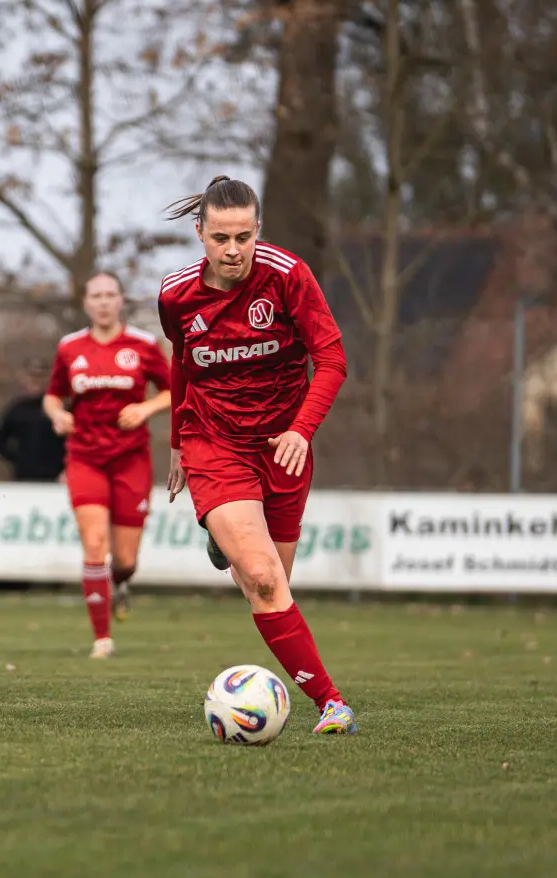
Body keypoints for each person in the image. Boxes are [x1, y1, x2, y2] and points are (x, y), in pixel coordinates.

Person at [156, 175, 355, 735]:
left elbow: (332, 359)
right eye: (221, 237)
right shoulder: (176, 294)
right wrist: (177, 441)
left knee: (270, 587)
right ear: (200, 233)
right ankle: (333, 704)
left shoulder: (288, 277)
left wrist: (301, 430)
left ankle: (222, 538)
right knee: (265, 579)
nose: (233, 249)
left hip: (283, 447)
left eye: (244, 236)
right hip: (213, 442)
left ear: (257, 229)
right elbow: (182, 363)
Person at [44, 272, 170, 658]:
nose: (103, 301)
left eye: (109, 295)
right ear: (86, 302)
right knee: (95, 546)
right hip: (85, 457)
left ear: (121, 300)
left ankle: (121, 582)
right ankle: (102, 639)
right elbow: (53, 395)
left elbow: (175, 390)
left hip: (131, 458)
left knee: (126, 561)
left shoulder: (144, 345)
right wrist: (57, 416)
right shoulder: (70, 348)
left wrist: (145, 407)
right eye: (95, 295)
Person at [0, 359, 66, 483]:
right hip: (24, 477)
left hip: (55, 478)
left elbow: (73, 441)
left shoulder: (57, 407)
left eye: (40, 377)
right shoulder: (17, 409)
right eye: (32, 377)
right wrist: (18, 459)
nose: (36, 382)